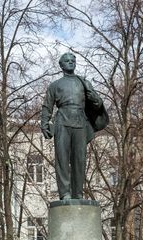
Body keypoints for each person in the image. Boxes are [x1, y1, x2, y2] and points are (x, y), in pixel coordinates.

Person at [41, 52, 108, 200]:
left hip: (80, 121)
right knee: (62, 159)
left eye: (73, 60)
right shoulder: (55, 85)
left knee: (80, 160)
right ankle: (65, 193)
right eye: (67, 60)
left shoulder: (83, 82)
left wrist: (94, 97)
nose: (71, 62)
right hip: (62, 121)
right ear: (61, 65)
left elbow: (97, 103)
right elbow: (47, 106)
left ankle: (78, 193)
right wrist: (44, 123)